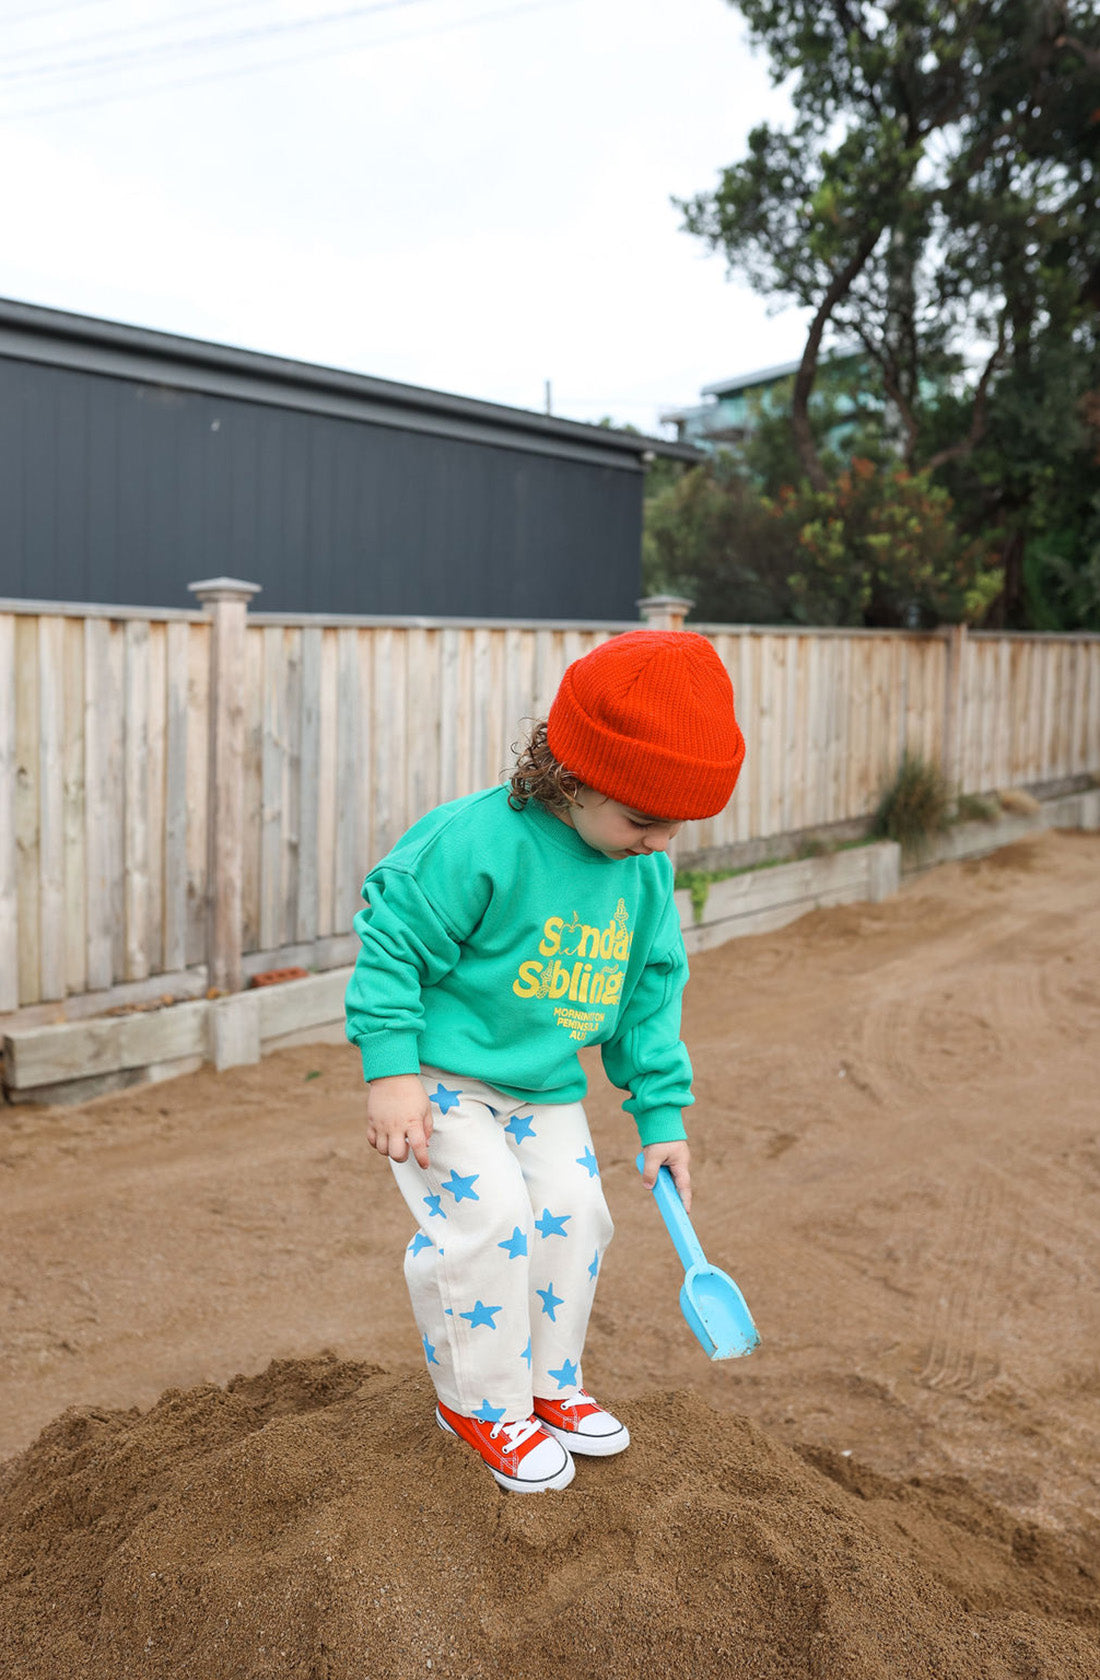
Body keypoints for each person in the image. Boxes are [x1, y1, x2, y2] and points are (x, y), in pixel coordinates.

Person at [345, 629, 745, 1493]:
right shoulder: (477, 842)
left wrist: (661, 1115)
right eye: (645, 820)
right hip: (443, 1078)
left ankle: (546, 1386)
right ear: (574, 774)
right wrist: (389, 1072)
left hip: (545, 1085)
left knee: (575, 1212)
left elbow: (648, 996)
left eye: (677, 827)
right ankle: (479, 1403)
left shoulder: (639, 878)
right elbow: (391, 945)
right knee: (488, 1221)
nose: (660, 843)